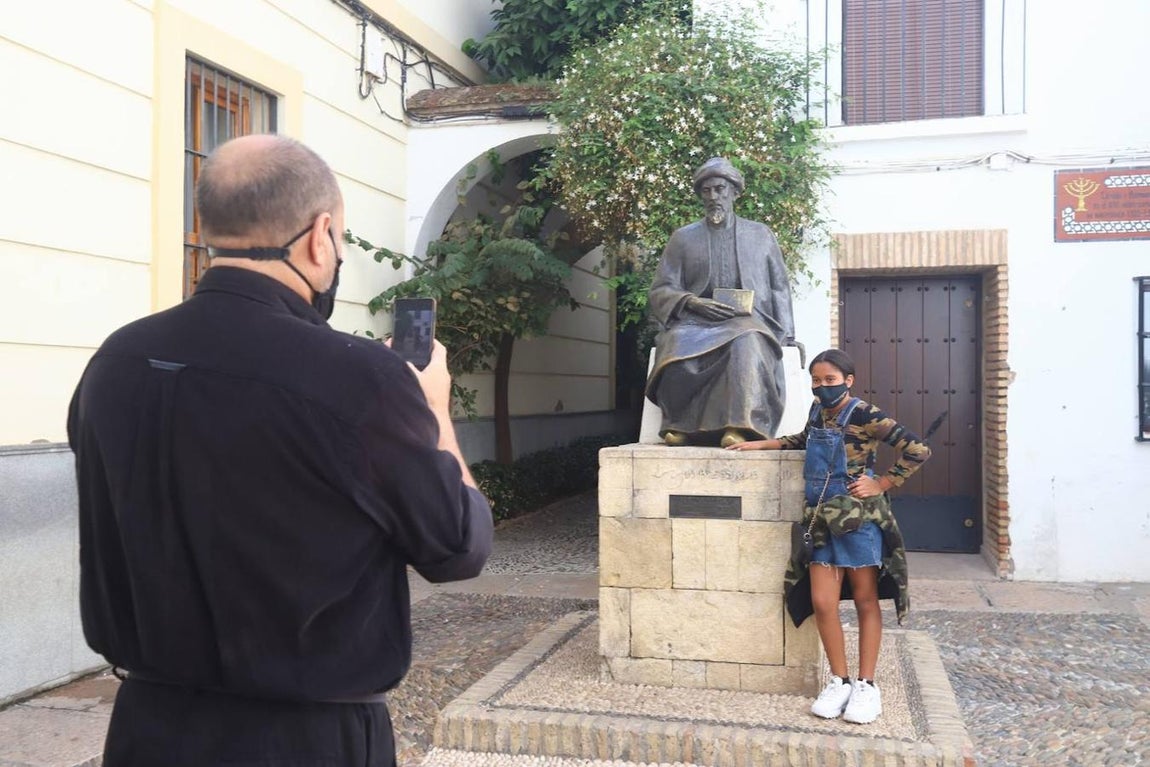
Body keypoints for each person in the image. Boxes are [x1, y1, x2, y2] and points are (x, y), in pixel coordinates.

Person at [67, 134, 493, 766]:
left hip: (146, 729)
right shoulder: (359, 379)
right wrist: (433, 408)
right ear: (321, 236)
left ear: (206, 228)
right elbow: (457, 547)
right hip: (306, 740)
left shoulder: (115, 361)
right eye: (341, 242)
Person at [727, 348, 930, 724]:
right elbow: (804, 440)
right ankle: (840, 681)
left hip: (857, 520)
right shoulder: (817, 411)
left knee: (866, 600)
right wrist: (763, 444)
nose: (822, 387)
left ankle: (867, 685)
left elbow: (917, 449)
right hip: (820, 520)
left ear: (848, 381)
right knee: (823, 602)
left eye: (830, 380)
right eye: (816, 381)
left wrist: (882, 483)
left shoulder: (865, 413)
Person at [646, 157, 796, 448]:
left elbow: (779, 286)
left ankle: (739, 425)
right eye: (707, 191)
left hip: (747, 319)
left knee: (746, 343)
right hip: (695, 319)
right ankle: (679, 425)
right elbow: (662, 288)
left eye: (720, 189)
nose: (713, 196)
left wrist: (788, 335)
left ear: (734, 192)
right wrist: (692, 302)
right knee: (675, 343)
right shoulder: (683, 238)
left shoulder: (760, 235)